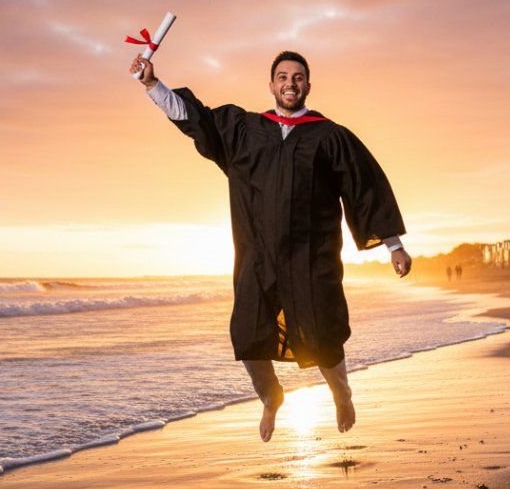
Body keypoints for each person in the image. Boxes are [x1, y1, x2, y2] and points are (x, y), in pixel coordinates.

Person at [131, 50, 412, 442]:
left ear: (308, 86)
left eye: (298, 78)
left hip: (310, 258)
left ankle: (341, 391)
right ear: (272, 85)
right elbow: (198, 120)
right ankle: (270, 397)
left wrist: (394, 246)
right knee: (247, 334)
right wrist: (152, 85)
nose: (290, 84)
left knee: (322, 334)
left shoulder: (329, 136)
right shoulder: (246, 130)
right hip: (257, 254)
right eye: (283, 77)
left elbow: (364, 187)